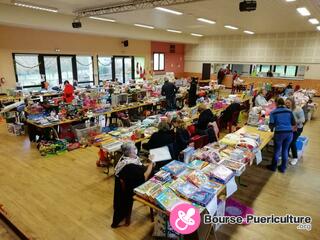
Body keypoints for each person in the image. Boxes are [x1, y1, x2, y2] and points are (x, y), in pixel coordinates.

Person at [111, 142, 154, 228]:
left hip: (127, 183)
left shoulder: (124, 158)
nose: (136, 149)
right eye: (134, 148)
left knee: (151, 169)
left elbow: (139, 166)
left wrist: (148, 164)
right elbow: (144, 177)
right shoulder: (130, 166)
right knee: (153, 175)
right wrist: (151, 163)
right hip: (130, 188)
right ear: (130, 152)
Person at [268, 98, 296, 173]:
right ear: (283, 103)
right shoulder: (289, 111)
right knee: (285, 150)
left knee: (277, 150)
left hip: (279, 133)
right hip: (289, 133)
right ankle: (283, 167)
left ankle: (273, 167)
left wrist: (271, 128)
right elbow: (293, 123)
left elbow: (271, 125)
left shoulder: (273, 113)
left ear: (276, 104)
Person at [285, 98, 305, 166]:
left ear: (292, 102)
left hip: (298, 128)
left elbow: (302, 120)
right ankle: (286, 155)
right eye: (286, 103)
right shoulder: (287, 109)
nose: (287, 104)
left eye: (288, 103)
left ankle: (295, 158)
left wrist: (293, 122)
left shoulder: (298, 109)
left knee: (292, 142)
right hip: (289, 128)